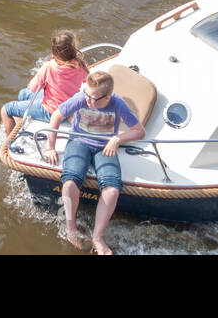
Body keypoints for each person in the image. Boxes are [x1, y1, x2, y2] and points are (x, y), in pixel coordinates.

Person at [43, 71, 143, 255]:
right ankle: (71, 228)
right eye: (87, 95)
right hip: (79, 142)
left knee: (112, 189)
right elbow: (56, 116)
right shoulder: (81, 98)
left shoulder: (118, 103)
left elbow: (139, 131)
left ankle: (98, 237)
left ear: (108, 97)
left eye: (94, 98)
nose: (88, 101)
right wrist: (50, 147)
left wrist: (117, 139)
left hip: (104, 147)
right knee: (70, 181)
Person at [1, 31, 90, 138]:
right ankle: (24, 117)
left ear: (54, 51)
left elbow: (33, 88)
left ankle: (10, 141)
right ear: (74, 48)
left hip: (51, 111)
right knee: (23, 94)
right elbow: (84, 80)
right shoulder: (81, 65)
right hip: (68, 107)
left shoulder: (49, 66)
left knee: (6, 109)